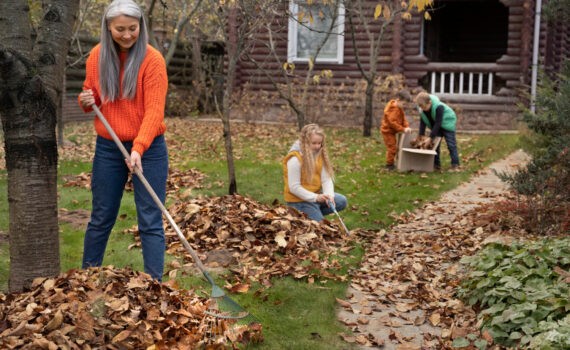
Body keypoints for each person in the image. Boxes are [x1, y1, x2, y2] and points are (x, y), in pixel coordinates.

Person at [78, 0, 169, 281]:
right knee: (101, 216)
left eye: (132, 28)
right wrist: (84, 100)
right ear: (108, 27)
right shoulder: (96, 57)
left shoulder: (152, 60)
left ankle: (154, 285)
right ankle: (86, 278)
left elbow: (154, 111)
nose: (127, 35)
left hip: (150, 147)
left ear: (141, 27)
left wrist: (139, 147)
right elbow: (89, 95)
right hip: (108, 147)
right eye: (120, 29)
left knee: (150, 220)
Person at [283, 124, 348, 222]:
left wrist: (328, 196)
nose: (317, 146)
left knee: (341, 201)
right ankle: (305, 214)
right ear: (305, 142)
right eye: (314, 143)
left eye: (320, 143)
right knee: (321, 227)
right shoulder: (295, 159)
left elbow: (326, 179)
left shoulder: (319, 154)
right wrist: (316, 198)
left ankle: (312, 213)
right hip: (298, 201)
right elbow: (294, 187)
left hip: (316, 196)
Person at [414, 92, 460, 170]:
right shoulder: (422, 108)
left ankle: (455, 164)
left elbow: (438, 123)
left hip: (447, 124)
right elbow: (423, 121)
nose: (423, 109)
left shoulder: (439, 107)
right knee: (435, 146)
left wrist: (430, 137)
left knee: (451, 145)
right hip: (436, 126)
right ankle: (436, 165)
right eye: (421, 108)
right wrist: (421, 134)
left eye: (425, 107)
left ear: (430, 103)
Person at [380, 90, 413, 170]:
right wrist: (403, 129)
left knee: (395, 147)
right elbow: (392, 123)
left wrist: (406, 126)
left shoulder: (399, 107)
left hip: (393, 131)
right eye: (404, 104)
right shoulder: (392, 110)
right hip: (387, 131)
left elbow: (403, 119)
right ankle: (389, 165)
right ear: (398, 100)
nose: (404, 106)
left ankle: (394, 162)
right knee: (392, 147)